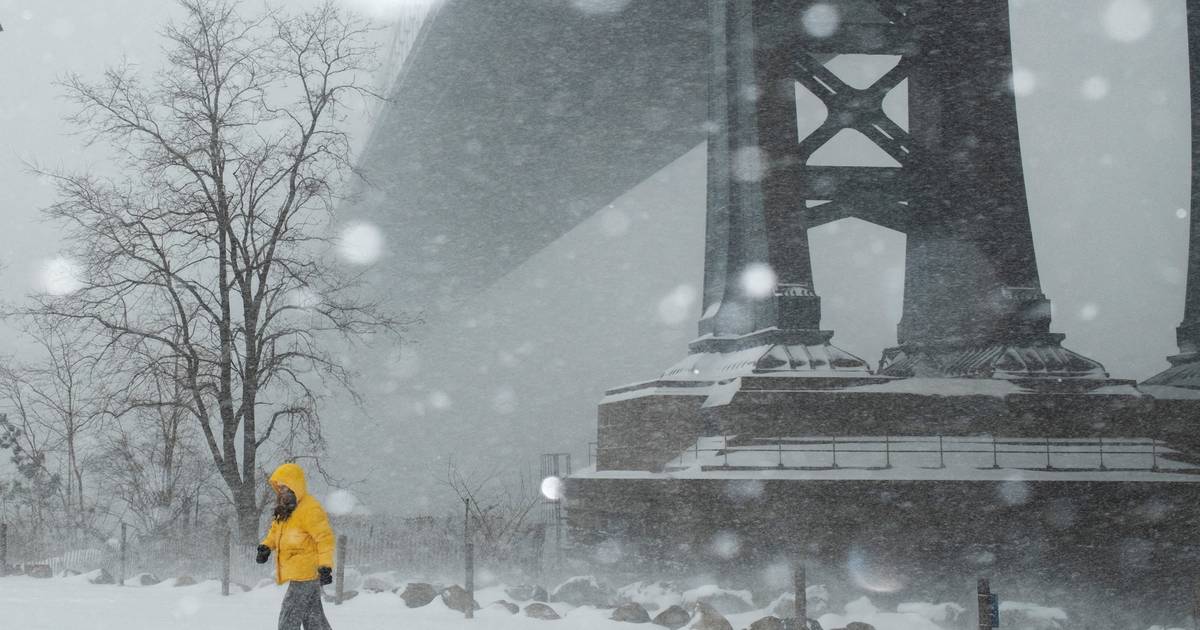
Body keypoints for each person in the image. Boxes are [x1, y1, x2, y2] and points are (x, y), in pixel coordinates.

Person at [256, 462, 336, 630]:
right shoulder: (285, 509)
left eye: (285, 487)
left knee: (288, 617)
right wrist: (266, 546)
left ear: (295, 486)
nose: (282, 491)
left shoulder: (310, 509)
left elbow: (324, 538)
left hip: (306, 572)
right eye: (279, 487)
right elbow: (276, 531)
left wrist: (325, 566)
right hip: (301, 573)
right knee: (314, 619)